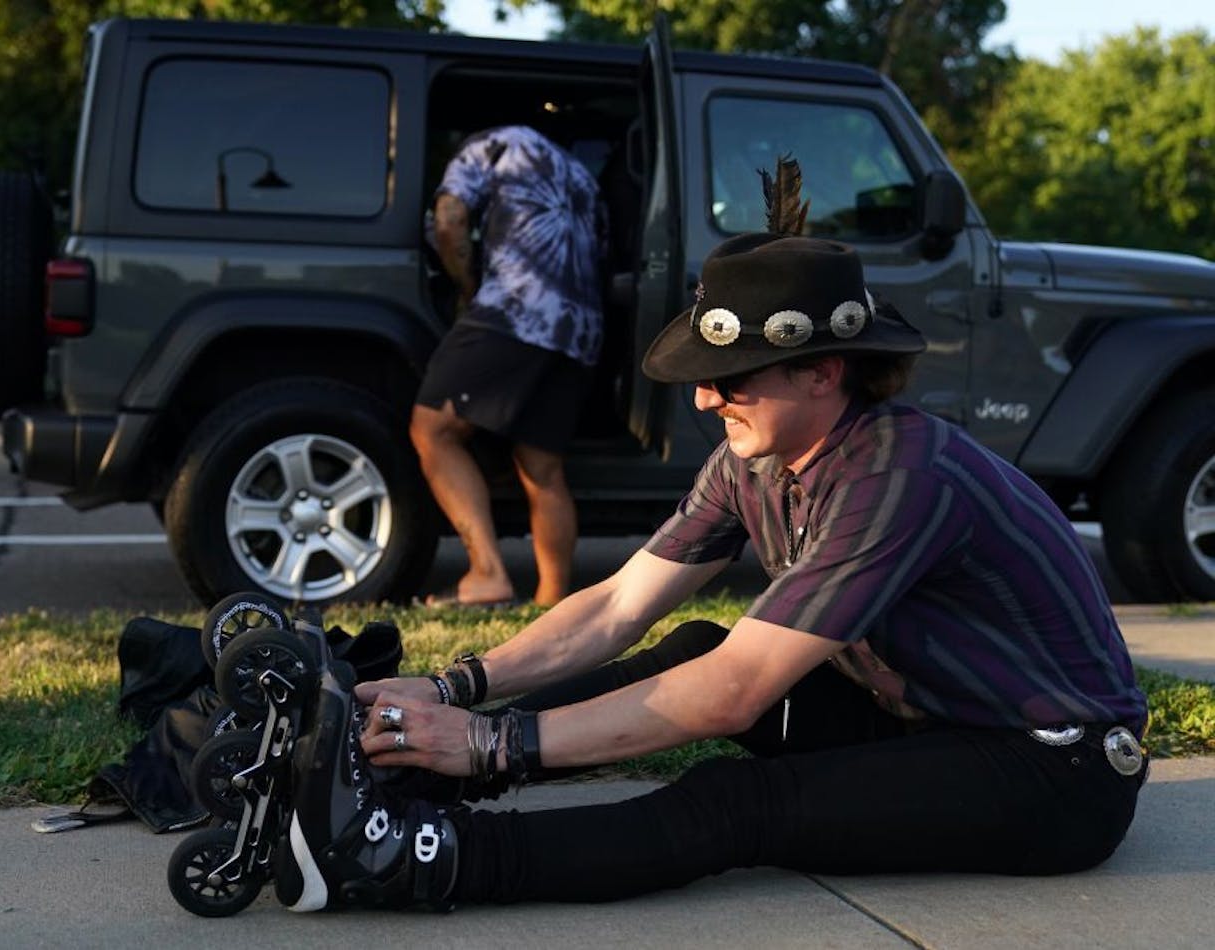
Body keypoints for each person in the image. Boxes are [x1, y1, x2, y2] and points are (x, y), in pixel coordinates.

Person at [271, 230, 1149, 911]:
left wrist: (496, 743)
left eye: (731, 377)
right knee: (688, 638)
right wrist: (450, 692)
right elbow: (620, 605)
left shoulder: (897, 475)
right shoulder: (757, 455)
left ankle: (415, 864)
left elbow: (734, 694)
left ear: (825, 372)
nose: (702, 397)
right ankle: (393, 773)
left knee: (738, 803)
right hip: (925, 719)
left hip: (1053, 773)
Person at [412, 124, 607, 608]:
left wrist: (467, 288)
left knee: (432, 429)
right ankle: (552, 598)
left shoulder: (491, 147)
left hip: (513, 314)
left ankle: (488, 573)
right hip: (580, 329)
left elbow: (450, 217)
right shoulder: (581, 173)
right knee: (542, 465)